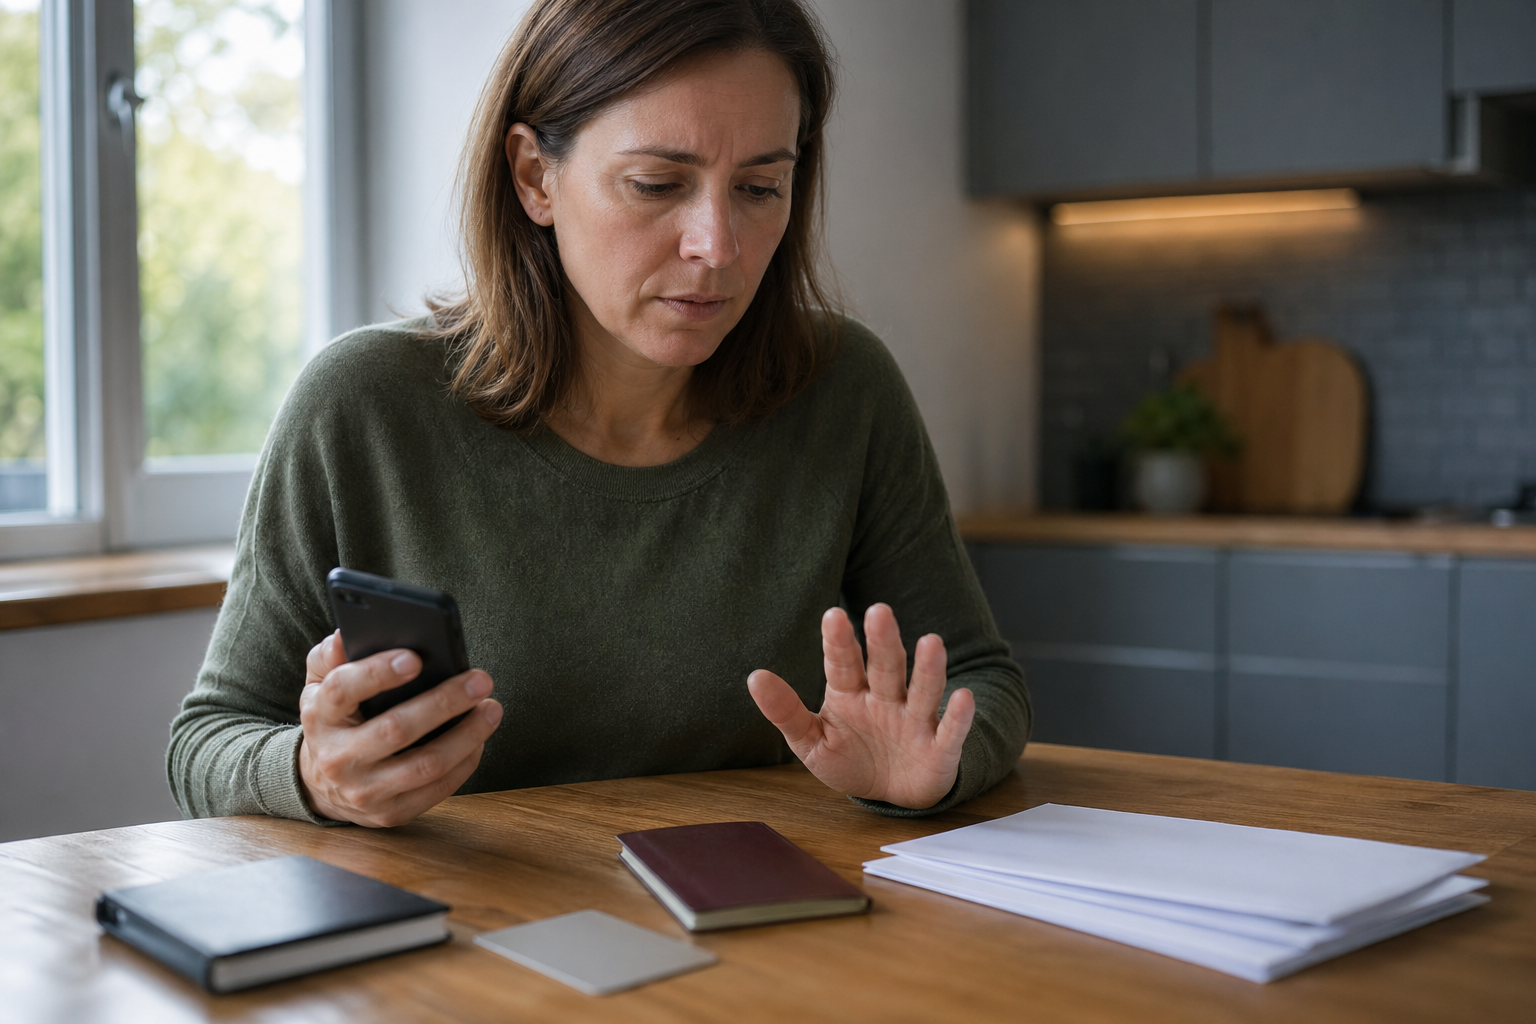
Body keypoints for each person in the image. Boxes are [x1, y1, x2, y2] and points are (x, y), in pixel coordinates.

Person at [168, 0, 1030, 829]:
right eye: (657, 184)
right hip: (466, 947)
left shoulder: (845, 387)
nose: (716, 246)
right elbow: (208, 741)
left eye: (762, 188)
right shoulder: (363, 405)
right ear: (535, 177)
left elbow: (981, 681)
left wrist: (934, 763)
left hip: (764, 934)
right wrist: (315, 777)